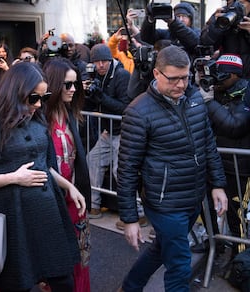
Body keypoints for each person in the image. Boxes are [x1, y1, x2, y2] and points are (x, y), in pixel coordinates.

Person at [0, 61, 86, 292]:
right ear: (15, 93)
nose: (39, 105)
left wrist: (70, 187)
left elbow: (46, 167)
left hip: (48, 217)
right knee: (18, 284)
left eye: (43, 97)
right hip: (11, 222)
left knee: (64, 281)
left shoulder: (37, 120)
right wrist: (13, 178)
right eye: (33, 98)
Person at [116, 45, 228, 292]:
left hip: (193, 196)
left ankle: (130, 286)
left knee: (161, 249)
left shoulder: (195, 98)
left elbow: (207, 143)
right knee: (179, 266)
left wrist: (217, 184)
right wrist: (130, 219)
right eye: (174, 78)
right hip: (164, 203)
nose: (180, 84)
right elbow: (126, 169)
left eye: (185, 77)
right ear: (156, 74)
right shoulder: (138, 111)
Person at [42, 58, 91, 292]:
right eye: (67, 85)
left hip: (73, 198)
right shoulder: (39, 117)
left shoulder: (71, 114)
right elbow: (38, 163)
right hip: (50, 201)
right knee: (54, 264)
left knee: (79, 258)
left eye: (75, 85)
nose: (73, 90)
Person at [198, 54, 250, 258]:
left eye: (223, 75)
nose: (217, 78)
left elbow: (235, 126)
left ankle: (241, 260)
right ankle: (215, 245)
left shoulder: (246, 91)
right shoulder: (213, 89)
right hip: (213, 162)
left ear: (235, 75)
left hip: (239, 167)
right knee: (206, 207)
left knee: (236, 215)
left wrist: (209, 103)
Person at [85, 44, 131, 219]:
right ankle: (94, 205)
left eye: (104, 61)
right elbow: (93, 103)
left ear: (110, 59)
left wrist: (101, 97)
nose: (101, 65)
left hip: (123, 132)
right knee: (93, 160)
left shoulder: (122, 75)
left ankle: (135, 214)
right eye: (96, 62)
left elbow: (125, 107)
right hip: (108, 130)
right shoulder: (95, 74)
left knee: (121, 171)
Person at [200, 0, 250, 79]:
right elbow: (205, 46)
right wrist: (215, 26)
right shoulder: (223, 13)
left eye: (241, 4)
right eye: (232, 3)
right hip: (225, 77)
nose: (236, 7)